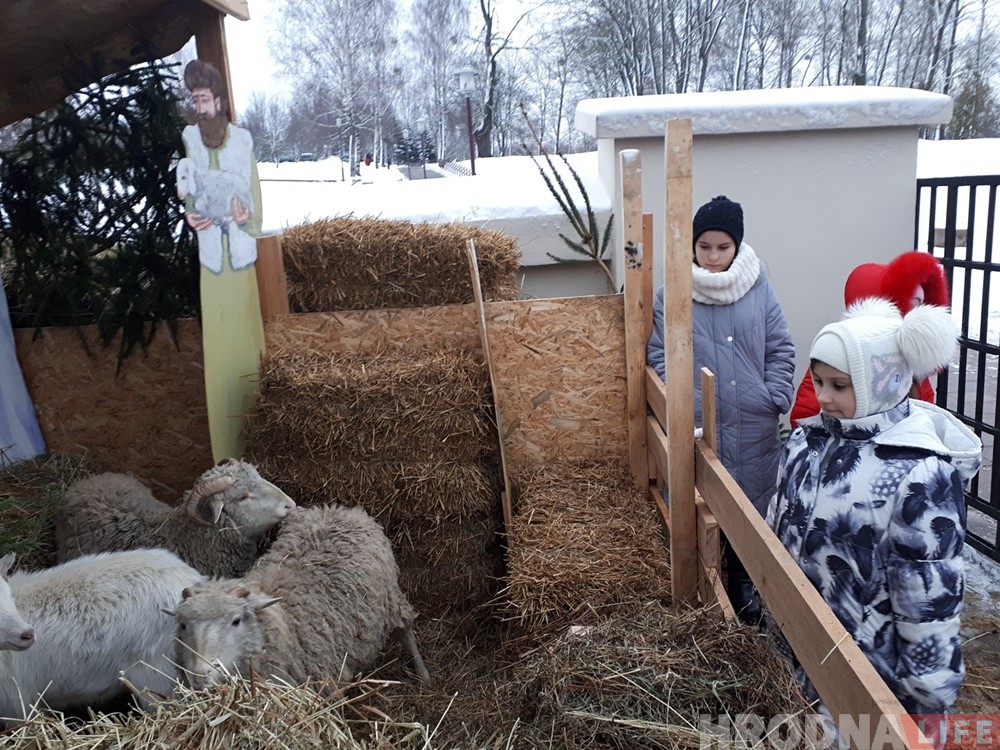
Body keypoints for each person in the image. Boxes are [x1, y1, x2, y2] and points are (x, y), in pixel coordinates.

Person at [767, 297, 981, 719]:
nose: (823, 397)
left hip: (869, 674)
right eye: (818, 381)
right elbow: (777, 529)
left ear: (880, 382)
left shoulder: (919, 475)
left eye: (840, 386)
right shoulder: (805, 444)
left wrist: (928, 688)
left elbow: (928, 594)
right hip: (795, 652)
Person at [647, 195, 796, 624]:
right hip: (700, 425)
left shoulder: (758, 287)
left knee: (752, 513)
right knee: (703, 511)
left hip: (753, 425)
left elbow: (780, 347)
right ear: (692, 246)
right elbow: (660, 355)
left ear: (737, 246)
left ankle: (746, 592)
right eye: (705, 246)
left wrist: (775, 395)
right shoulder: (671, 294)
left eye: (723, 247)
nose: (713, 257)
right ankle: (702, 601)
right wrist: (684, 403)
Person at [179, 60, 266, 463]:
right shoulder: (189, 139)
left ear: (219, 100)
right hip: (211, 260)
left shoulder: (243, 141)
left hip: (241, 260)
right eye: (194, 98)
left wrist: (248, 220)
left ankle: (257, 439)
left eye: (204, 98)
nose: (199, 106)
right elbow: (190, 191)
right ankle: (226, 453)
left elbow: (255, 202)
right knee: (219, 351)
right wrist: (190, 215)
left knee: (246, 346)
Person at [790, 251, 950, 427]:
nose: (912, 317)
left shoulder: (914, 371)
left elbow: (925, 417)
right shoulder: (835, 362)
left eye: (920, 306)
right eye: (908, 306)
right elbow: (806, 417)